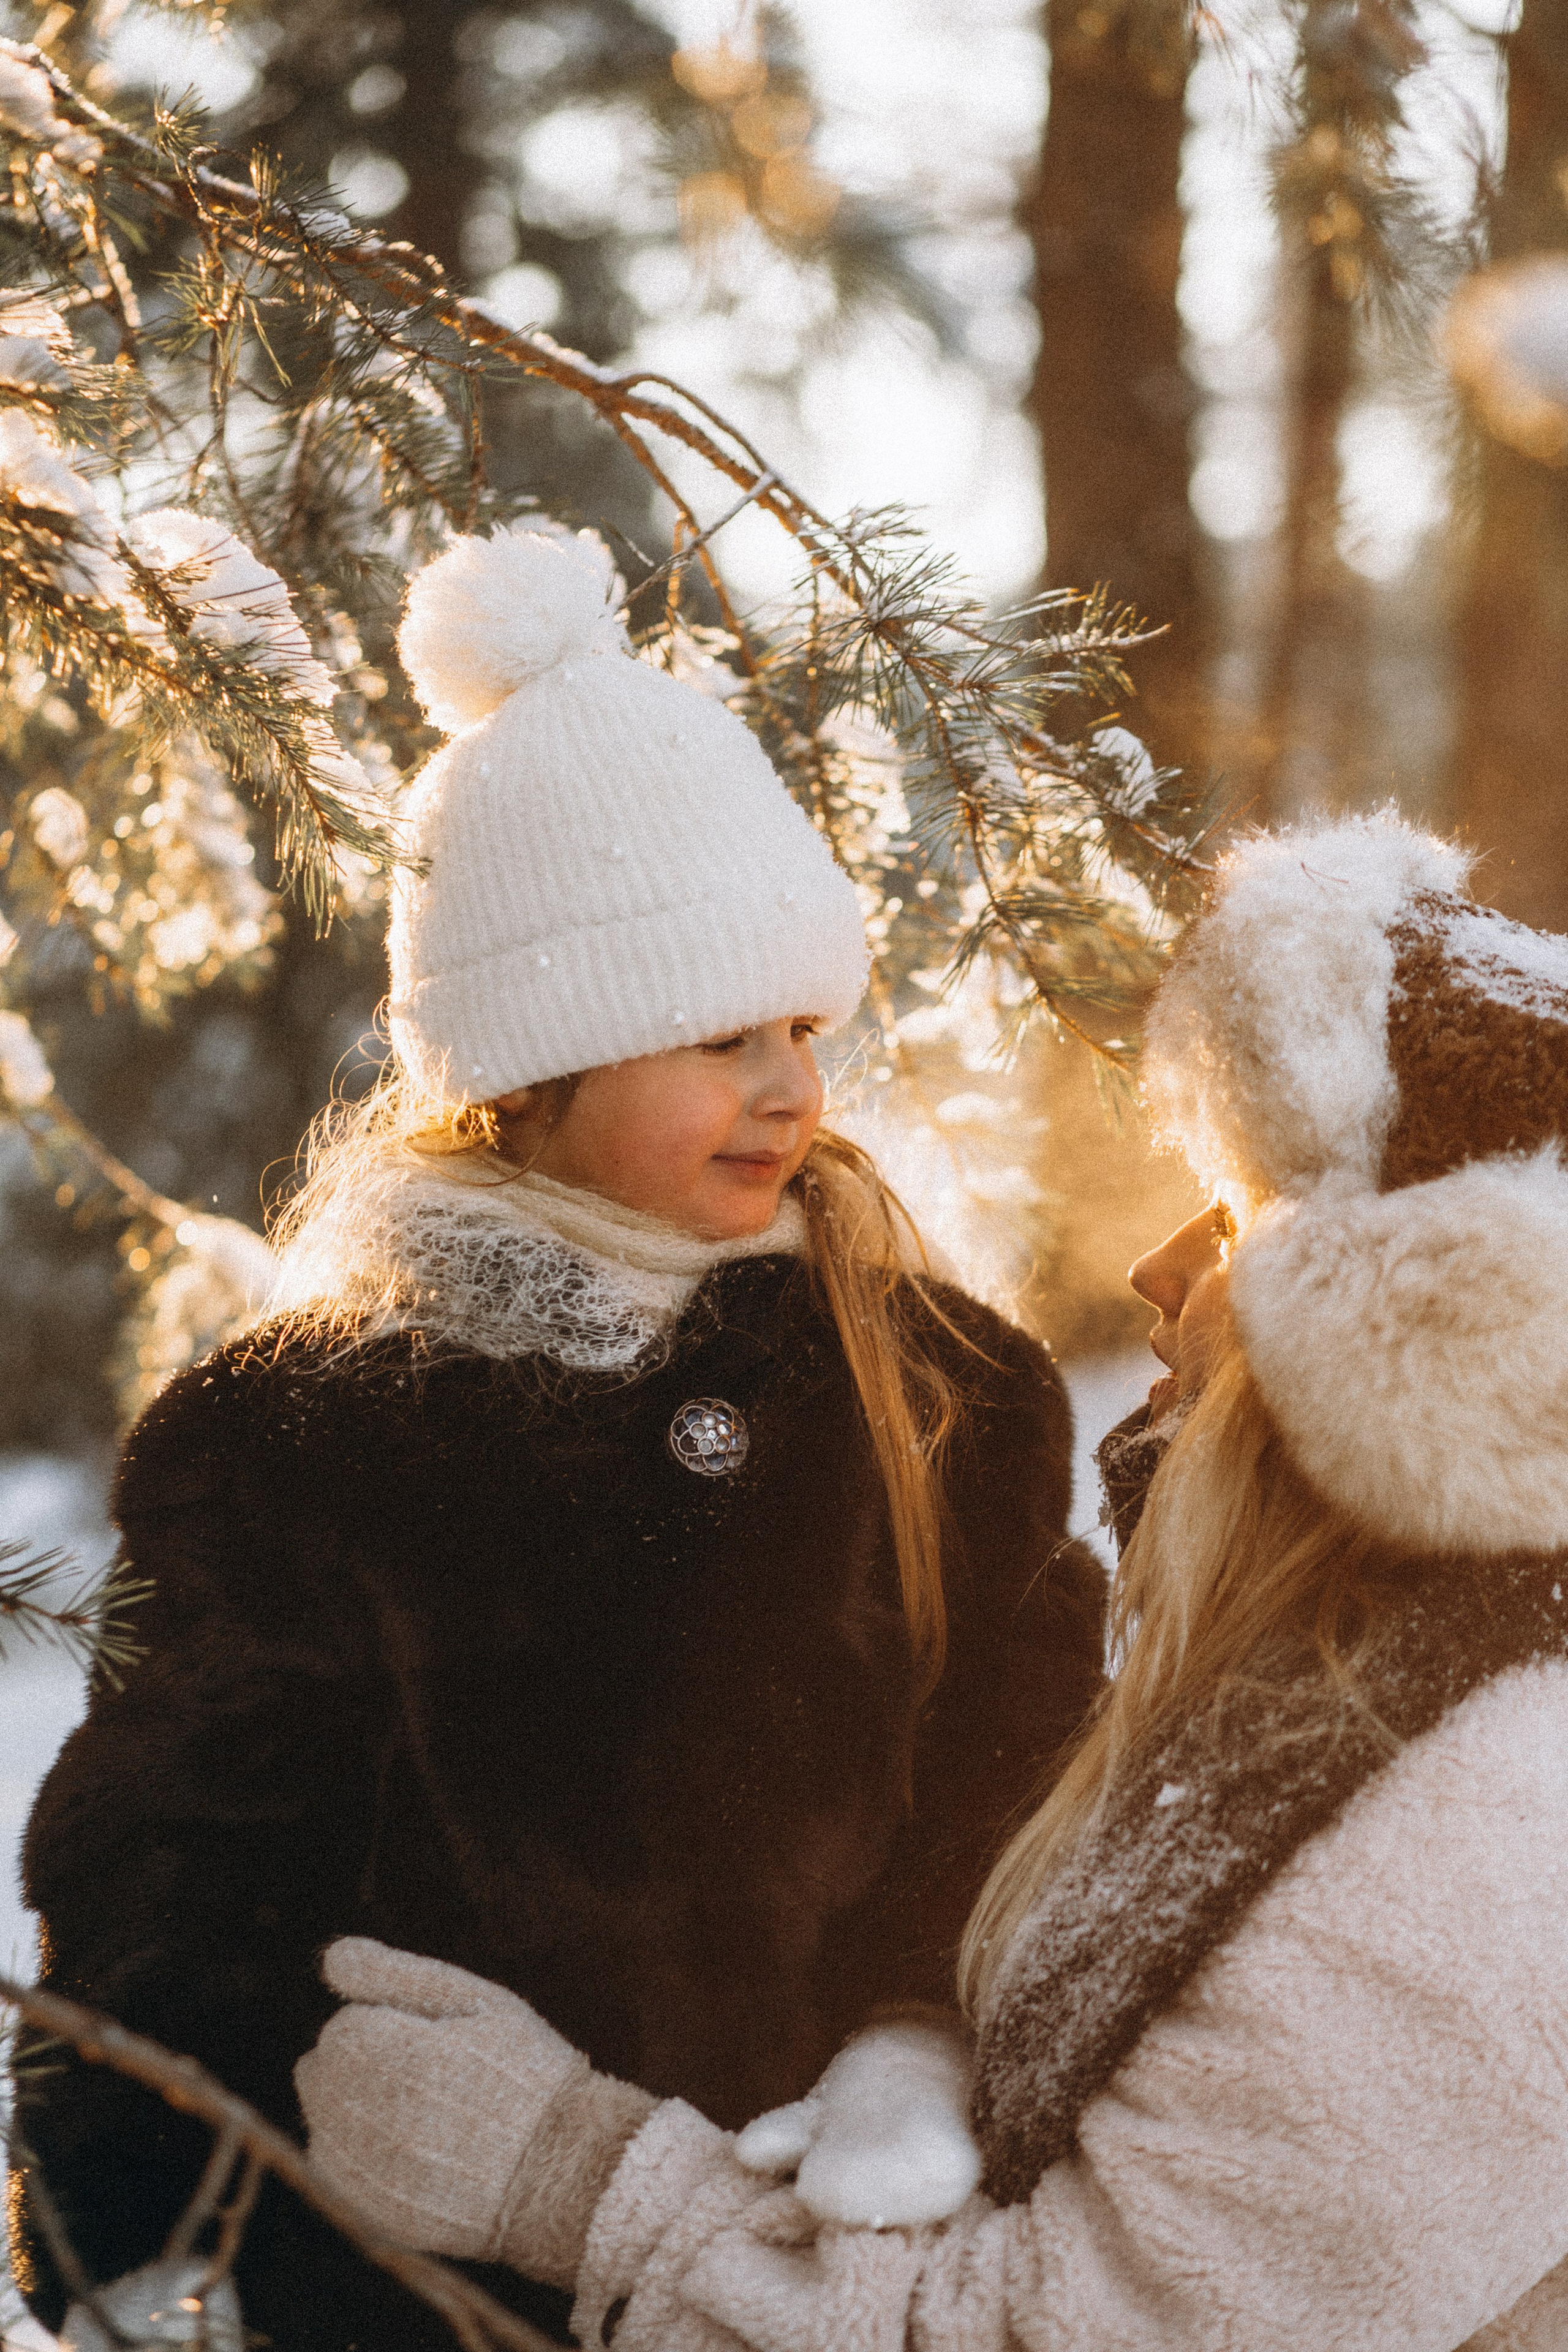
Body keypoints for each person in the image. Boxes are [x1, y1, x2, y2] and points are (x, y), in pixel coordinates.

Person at [7, 524, 1107, 2352]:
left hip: (819, 2267)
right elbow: (177, 1864)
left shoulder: (934, 1390)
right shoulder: (307, 1437)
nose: (789, 1089)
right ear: (527, 1077)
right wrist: (134, 2219)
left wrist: (920, 2035)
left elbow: (1024, 1766)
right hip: (415, 2284)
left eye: (798, 1023)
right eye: (707, 1036)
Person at [298, 809, 1568, 2351]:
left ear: (1435, 1310)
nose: (1156, 1270)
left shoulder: (1475, 1838)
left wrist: (582, 2180)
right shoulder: (1355, 1683)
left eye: (1236, 1213)